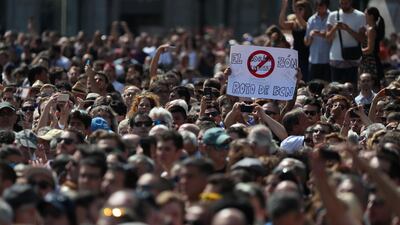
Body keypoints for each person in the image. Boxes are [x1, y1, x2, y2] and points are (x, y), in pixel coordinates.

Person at [326, 0, 366, 85]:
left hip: (353, 59)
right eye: (341, 3)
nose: (343, 5)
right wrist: (335, 28)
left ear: (351, 2)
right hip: (336, 59)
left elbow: (362, 39)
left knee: (352, 89)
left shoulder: (360, 16)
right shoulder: (333, 15)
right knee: (335, 89)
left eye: (346, 3)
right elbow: (328, 38)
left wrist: (347, 29)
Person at [279, 0, 312, 80]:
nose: (298, 11)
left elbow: (303, 24)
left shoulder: (310, 22)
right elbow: (282, 23)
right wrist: (284, 7)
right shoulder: (294, 23)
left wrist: (295, 9)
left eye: (300, 9)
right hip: (295, 54)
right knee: (293, 78)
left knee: (304, 77)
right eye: (297, 9)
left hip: (306, 55)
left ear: (306, 10)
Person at [305, 0, 331, 81]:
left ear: (326, 6)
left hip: (328, 59)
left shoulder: (332, 17)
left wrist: (319, 34)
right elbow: (306, 42)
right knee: (313, 85)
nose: (319, 8)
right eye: (317, 6)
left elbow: (332, 37)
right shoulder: (311, 19)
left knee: (327, 86)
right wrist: (311, 36)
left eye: (321, 6)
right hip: (314, 59)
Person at [359, 7, 385, 86]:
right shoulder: (368, 28)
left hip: (371, 62)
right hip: (367, 61)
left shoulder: (371, 30)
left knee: (370, 86)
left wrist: (358, 52)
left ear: (371, 16)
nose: (364, 16)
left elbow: (370, 49)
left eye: (366, 14)